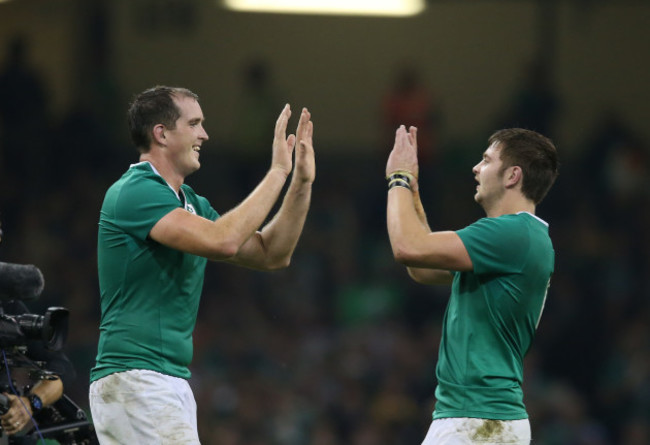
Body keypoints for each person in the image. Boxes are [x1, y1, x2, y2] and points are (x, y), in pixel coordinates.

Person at [88, 86, 315, 444]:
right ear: (161, 134)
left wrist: (300, 184)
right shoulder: (135, 190)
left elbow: (272, 254)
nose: (204, 135)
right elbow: (221, 241)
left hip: (164, 380)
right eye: (194, 123)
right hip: (137, 377)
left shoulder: (190, 203)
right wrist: (276, 173)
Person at [385, 126, 559, 444]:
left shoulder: (512, 234)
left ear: (513, 176)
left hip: (477, 420)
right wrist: (412, 193)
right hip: (483, 420)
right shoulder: (518, 240)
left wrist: (398, 177)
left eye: (487, 159)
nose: (476, 168)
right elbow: (421, 268)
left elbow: (406, 248)